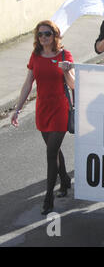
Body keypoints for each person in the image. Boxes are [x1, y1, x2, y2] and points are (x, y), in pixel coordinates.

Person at [11, 20, 75, 215]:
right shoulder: (36, 56)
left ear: (55, 35)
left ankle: (48, 197)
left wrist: (66, 71)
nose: (44, 38)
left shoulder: (65, 55)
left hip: (60, 108)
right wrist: (18, 109)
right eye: (40, 35)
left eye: (47, 34)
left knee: (50, 153)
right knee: (53, 149)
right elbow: (28, 83)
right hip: (42, 108)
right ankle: (64, 180)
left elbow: (73, 85)